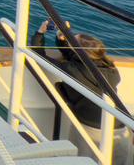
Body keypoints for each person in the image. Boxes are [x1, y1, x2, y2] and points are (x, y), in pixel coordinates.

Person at [32, 20, 133, 164]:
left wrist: (40, 33)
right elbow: (77, 57)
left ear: (79, 52)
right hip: (119, 125)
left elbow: (39, 57)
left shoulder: (74, 70)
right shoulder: (110, 68)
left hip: (90, 128)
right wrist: (62, 38)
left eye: (73, 40)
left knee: (82, 161)